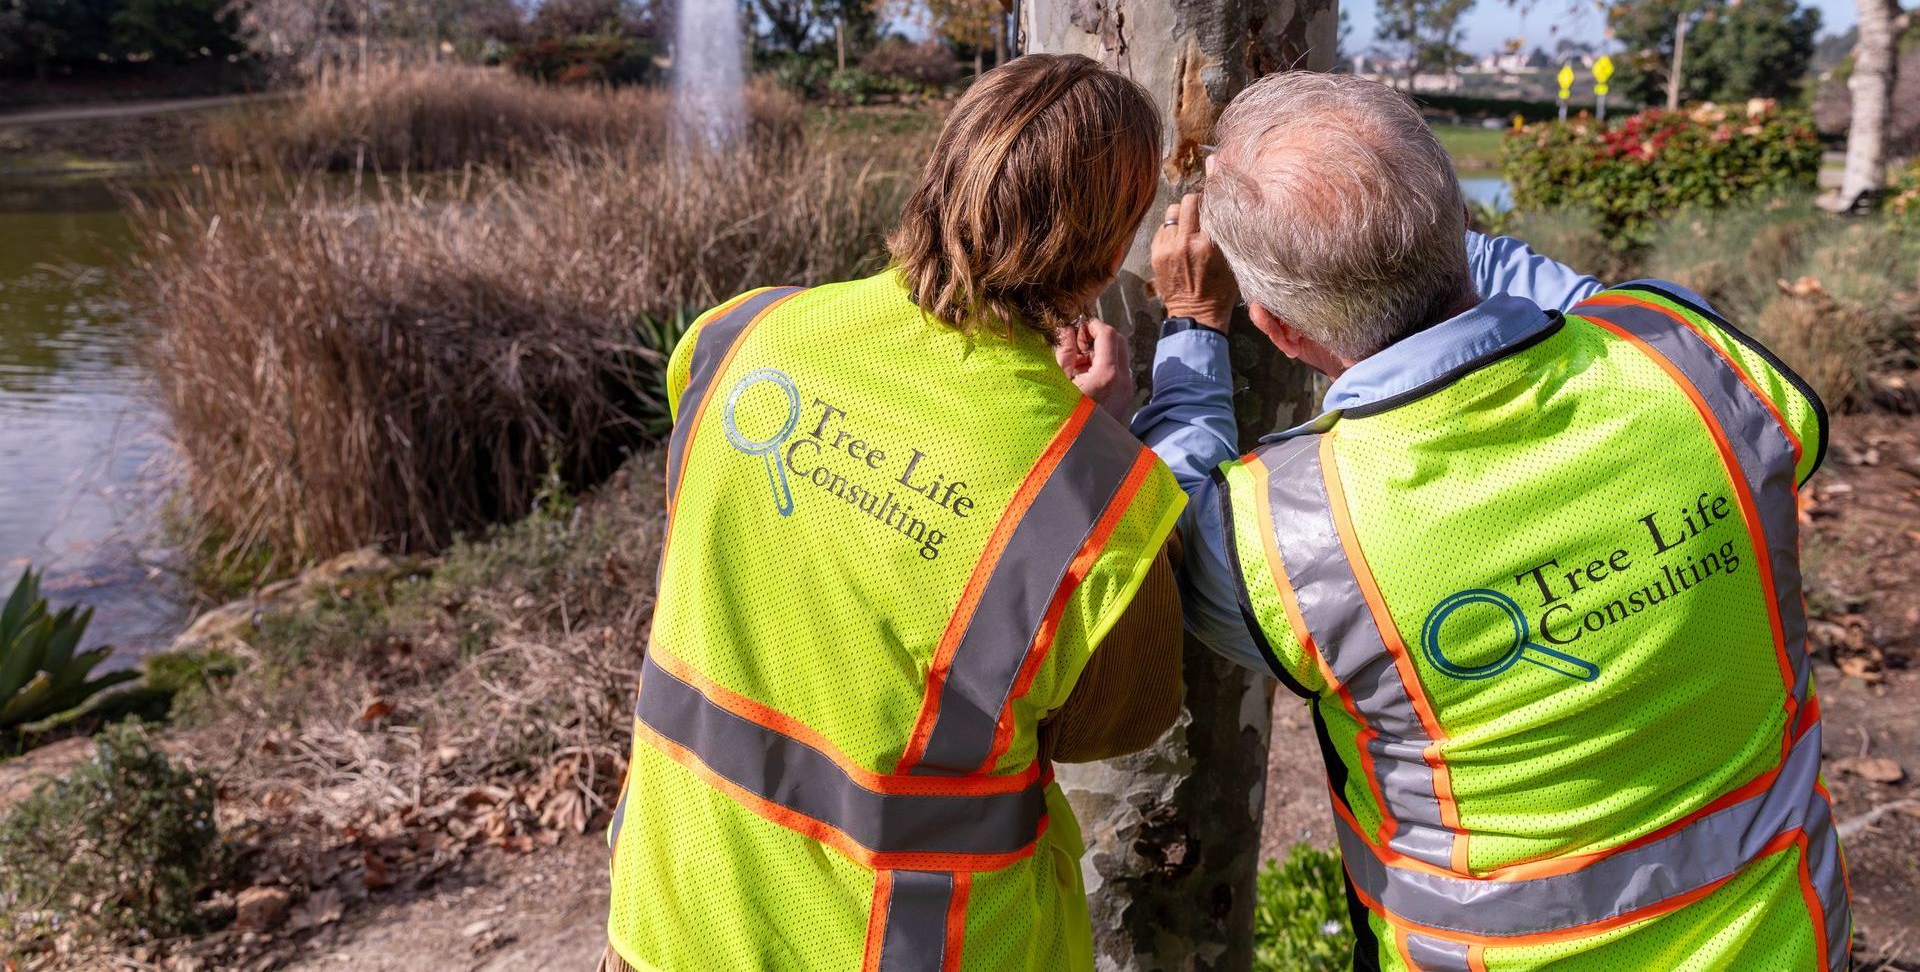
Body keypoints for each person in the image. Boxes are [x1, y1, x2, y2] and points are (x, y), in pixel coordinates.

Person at [1138, 73, 1849, 970]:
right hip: (1784, 936)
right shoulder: (1694, 364)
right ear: (1457, 227)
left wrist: (1193, 328)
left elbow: (1160, 525)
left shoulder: (1286, 539)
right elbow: (1591, 304)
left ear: (1276, 328)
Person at [602, 54, 1189, 972]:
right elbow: (1118, 720)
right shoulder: (1088, 493)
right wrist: (1091, 437)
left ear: (940, 175)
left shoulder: (736, 336)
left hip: (672, 922)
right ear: (1112, 253)